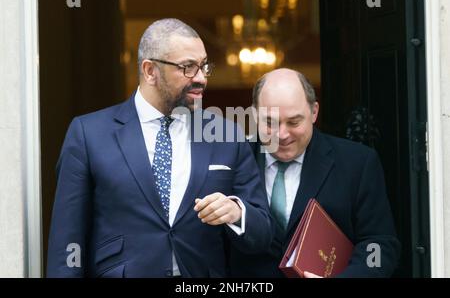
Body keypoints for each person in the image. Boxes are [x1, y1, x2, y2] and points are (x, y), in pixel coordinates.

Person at [47, 18, 272, 277]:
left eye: (203, 67)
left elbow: (263, 231)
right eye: (187, 67)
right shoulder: (89, 134)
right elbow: (66, 244)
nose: (200, 78)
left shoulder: (227, 134)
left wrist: (236, 212)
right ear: (150, 70)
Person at [229, 68, 400, 277]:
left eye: (294, 122)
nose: (282, 134)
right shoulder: (231, 160)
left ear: (314, 112)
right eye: (270, 122)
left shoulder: (358, 163)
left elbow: (380, 245)